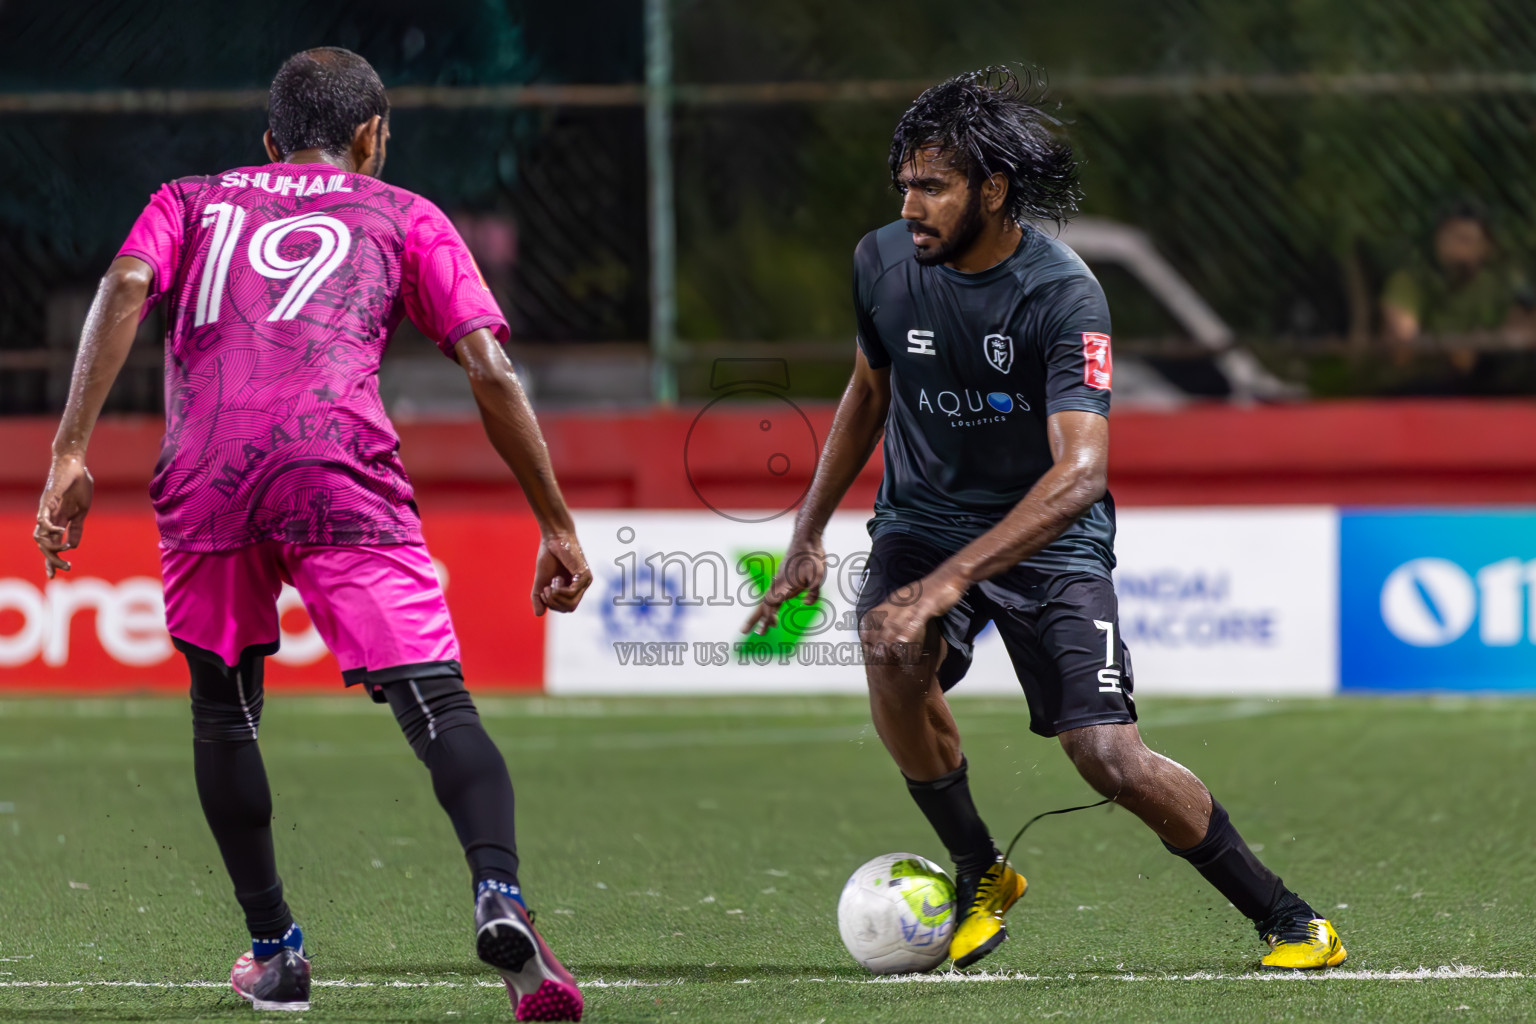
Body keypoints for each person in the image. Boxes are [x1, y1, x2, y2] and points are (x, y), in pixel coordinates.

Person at [744, 67, 1346, 972]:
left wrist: (955, 581)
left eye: (934, 186)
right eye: (904, 184)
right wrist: (807, 533)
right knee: (889, 648)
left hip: (1051, 535)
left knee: (1106, 756)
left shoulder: (1064, 294)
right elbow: (869, 389)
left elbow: (1081, 472)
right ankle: (980, 867)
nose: (912, 206)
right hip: (922, 517)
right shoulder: (880, 264)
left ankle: (1291, 919)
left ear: (994, 189)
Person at [32, 48, 590, 1020]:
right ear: (373, 135)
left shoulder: (190, 199)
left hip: (210, 473)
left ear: (268, 141)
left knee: (224, 711)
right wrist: (555, 521)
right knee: (438, 706)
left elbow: (124, 285)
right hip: (337, 467)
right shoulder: (405, 213)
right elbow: (489, 369)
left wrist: (69, 453)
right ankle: (498, 889)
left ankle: (274, 949)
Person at [1379, 202, 1536, 386]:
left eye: (1467, 240)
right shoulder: (1410, 280)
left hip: (1492, 385)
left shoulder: (1499, 283)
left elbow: (1524, 327)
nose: (1458, 248)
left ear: (1485, 247)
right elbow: (1403, 344)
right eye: (1453, 237)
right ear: (1438, 240)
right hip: (1423, 387)